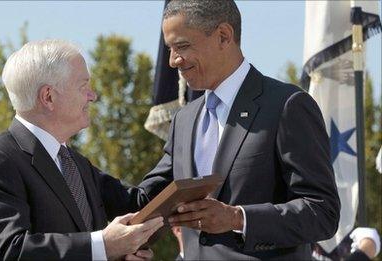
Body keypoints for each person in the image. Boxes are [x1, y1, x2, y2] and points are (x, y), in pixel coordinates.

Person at [138, 0, 341, 259]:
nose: (173, 60)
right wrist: (76, 169)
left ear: (224, 36)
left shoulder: (286, 105)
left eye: (183, 46)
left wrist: (237, 218)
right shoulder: (184, 119)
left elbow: (322, 213)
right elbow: (149, 197)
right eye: (170, 48)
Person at [0, 39, 163, 260]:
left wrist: (188, 132)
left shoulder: (76, 163)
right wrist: (104, 246)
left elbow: (140, 205)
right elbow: (7, 251)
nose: (92, 96)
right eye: (83, 86)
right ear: (48, 97)